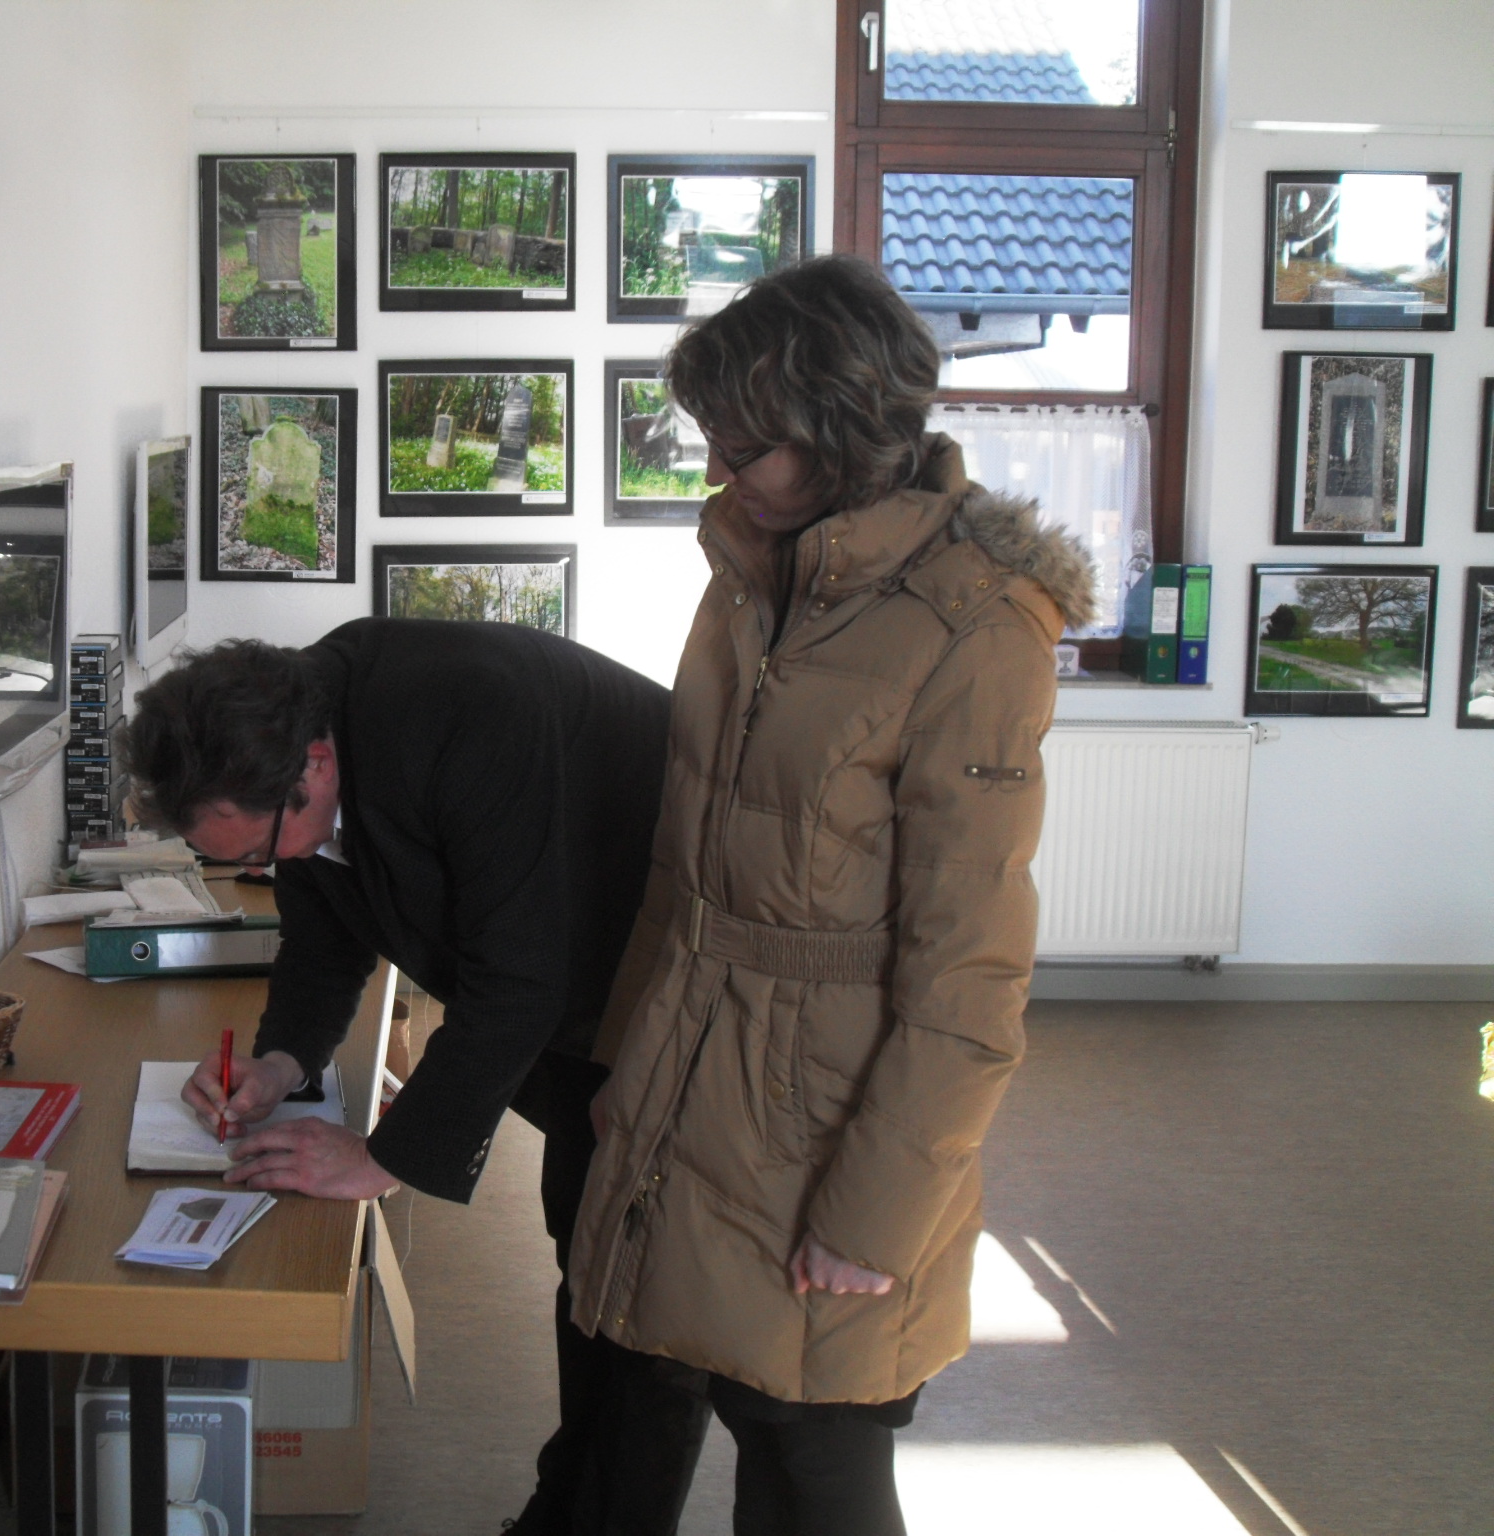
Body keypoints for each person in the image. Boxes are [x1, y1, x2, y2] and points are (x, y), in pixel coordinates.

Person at [565, 255, 1096, 1535]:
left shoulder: (978, 624)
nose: (718, 474)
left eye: (743, 444)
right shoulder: (753, 561)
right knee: (661, 1380)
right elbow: (683, 856)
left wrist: (873, 1213)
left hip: (830, 1107)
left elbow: (969, 971)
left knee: (813, 1450)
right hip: (690, 1057)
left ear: (843, 432)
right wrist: (620, 1062)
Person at [121, 618, 713, 1534]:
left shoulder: (464, 712)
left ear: (314, 767)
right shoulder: (300, 734)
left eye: (246, 852)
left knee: (647, 1299)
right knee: (589, 1257)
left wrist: (382, 1159)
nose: (254, 870)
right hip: (578, 981)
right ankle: (567, 1509)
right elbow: (324, 929)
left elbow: (517, 983)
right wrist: (282, 1063)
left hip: (676, 975)